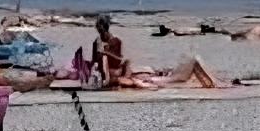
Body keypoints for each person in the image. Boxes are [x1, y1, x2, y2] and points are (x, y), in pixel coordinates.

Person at [91, 15, 220, 89]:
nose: (99, 29)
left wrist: (105, 53)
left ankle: (210, 84)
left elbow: (118, 60)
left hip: (120, 71)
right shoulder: (96, 43)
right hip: (111, 72)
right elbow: (95, 61)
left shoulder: (115, 41)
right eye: (98, 27)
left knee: (173, 76)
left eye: (100, 27)